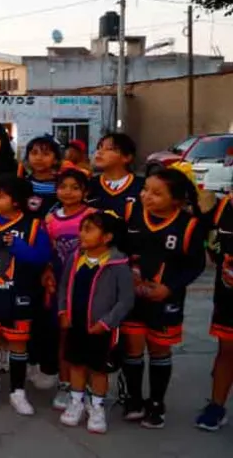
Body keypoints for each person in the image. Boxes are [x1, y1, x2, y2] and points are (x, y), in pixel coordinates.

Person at [120, 166, 206, 429]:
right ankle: (133, 398)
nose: (147, 196)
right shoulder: (132, 215)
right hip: (133, 297)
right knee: (132, 347)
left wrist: (169, 287)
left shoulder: (189, 225)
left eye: (157, 194)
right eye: (145, 190)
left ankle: (157, 403)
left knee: (159, 348)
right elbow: (120, 251)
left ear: (177, 200)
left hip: (165, 299)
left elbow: (195, 265)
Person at [0, 173, 51, 416]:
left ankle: (17, 392)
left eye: (0, 196)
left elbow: (41, 258)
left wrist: (16, 245)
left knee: (18, 344)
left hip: (20, 295)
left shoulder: (34, 225)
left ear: (16, 201)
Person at [57, 211, 135, 434]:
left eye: (89, 229)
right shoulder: (75, 258)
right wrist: (63, 311)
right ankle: (76, 401)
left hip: (101, 328)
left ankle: (97, 406)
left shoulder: (118, 263)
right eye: (82, 229)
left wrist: (107, 322)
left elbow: (126, 300)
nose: (82, 234)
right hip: (76, 323)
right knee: (76, 363)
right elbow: (64, 287)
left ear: (107, 237)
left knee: (99, 368)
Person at [41, 167, 96, 409]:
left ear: (85, 191)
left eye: (75, 188)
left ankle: (92, 387)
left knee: (90, 334)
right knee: (64, 334)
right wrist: (48, 273)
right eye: (63, 187)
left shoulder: (94, 216)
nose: (68, 192)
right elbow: (48, 252)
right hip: (62, 287)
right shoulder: (51, 219)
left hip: (90, 285)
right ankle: (65, 384)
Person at [197, 195, 233, 431]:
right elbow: (208, 245)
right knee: (227, 350)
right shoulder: (221, 207)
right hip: (228, 298)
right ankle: (216, 406)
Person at [87, 133, 144, 216]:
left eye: (109, 149)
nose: (100, 152)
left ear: (127, 157)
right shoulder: (89, 185)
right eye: (99, 147)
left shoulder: (142, 186)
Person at [23, 136, 62, 219]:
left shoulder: (62, 183)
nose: (39, 158)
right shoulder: (22, 183)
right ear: (27, 157)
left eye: (46, 154)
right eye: (34, 153)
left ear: (55, 159)